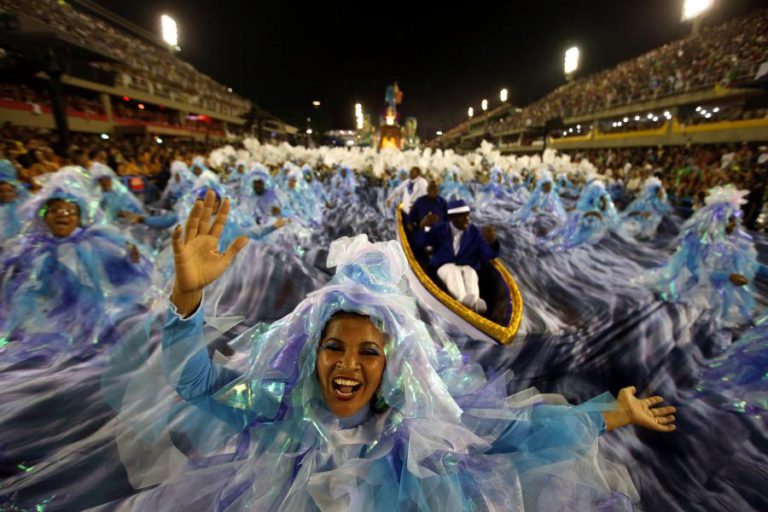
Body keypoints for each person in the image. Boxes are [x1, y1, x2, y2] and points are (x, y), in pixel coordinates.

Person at [91, 195, 675, 510]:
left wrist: (611, 413)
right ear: (311, 352)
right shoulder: (276, 406)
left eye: (369, 352)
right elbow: (195, 383)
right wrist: (188, 296)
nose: (348, 365)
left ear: (393, 361)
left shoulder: (427, 429)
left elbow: (516, 432)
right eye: (334, 348)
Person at [415, 199, 499, 313]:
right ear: (452, 218)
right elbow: (419, 244)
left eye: (467, 216)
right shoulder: (440, 229)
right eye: (462, 216)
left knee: (470, 272)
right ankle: (461, 300)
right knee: (452, 271)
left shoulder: (474, 232)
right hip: (444, 266)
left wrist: (492, 243)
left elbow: (487, 254)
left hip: (466, 265)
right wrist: (422, 227)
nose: (467, 220)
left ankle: (475, 301)